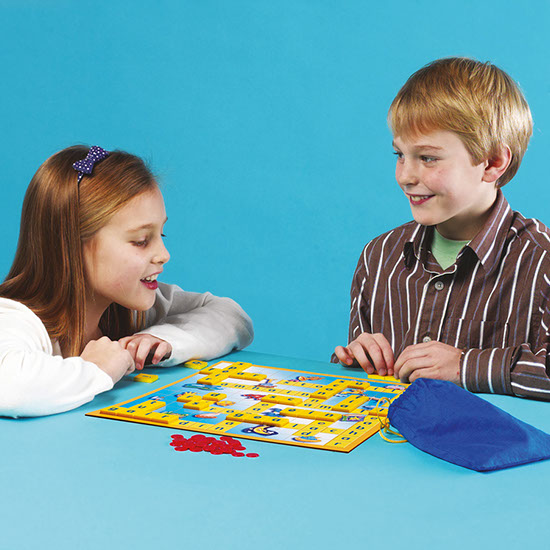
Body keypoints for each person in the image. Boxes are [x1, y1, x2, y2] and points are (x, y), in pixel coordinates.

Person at [333, 57, 550, 400]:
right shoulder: (379, 257)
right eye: (400, 155)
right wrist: (357, 357)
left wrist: (465, 365)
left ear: (493, 162)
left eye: (428, 158)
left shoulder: (541, 261)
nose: (405, 176)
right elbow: (366, 384)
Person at [0, 145, 254, 417]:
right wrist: (96, 369)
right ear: (72, 245)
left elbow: (232, 317)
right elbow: (10, 388)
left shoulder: (128, 310)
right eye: (141, 241)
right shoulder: (13, 318)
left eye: (161, 235)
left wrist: (161, 339)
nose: (164, 255)